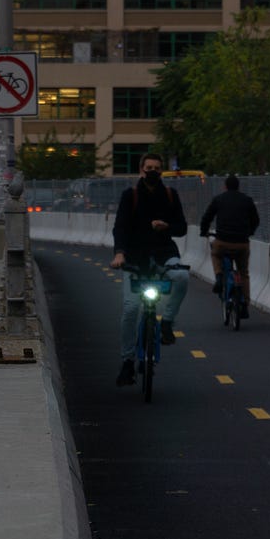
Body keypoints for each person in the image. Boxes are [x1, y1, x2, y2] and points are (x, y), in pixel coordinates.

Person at [110, 152, 188, 387]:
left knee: (181, 277)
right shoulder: (130, 196)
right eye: (149, 168)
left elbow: (182, 228)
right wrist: (120, 253)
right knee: (131, 308)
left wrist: (167, 226)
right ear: (141, 170)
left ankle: (167, 323)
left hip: (164, 254)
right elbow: (120, 227)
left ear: (161, 171)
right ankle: (127, 362)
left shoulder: (170, 195)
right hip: (135, 258)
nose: (153, 171)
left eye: (157, 168)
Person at [199, 175, 261, 315]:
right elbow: (256, 220)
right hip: (242, 243)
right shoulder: (247, 200)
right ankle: (245, 304)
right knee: (243, 273)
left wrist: (203, 231)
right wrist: (249, 232)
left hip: (222, 241)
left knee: (215, 254)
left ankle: (219, 276)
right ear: (239, 186)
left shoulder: (218, 199)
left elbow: (207, 217)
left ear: (225, 186)